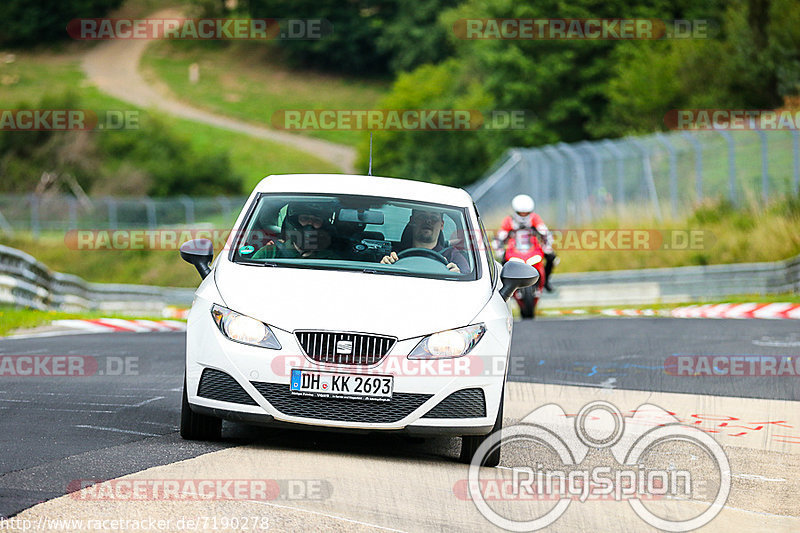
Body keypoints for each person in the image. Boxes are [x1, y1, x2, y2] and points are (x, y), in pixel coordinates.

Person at [497, 194, 557, 291]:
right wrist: (499, 250)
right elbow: (500, 236)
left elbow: (544, 232)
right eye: (521, 213)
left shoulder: (535, 218)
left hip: (533, 247)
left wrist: (547, 246)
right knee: (503, 262)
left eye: (526, 213)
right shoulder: (509, 221)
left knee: (551, 257)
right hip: (514, 249)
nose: (523, 216)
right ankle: (505, 285)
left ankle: (546, 281)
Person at [380, 209, 468, 273]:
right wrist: (384, 266)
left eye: (434, 218)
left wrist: (457, 274)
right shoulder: (393, 254)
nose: (428, 221)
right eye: (422, 216)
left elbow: (467, 282)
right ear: (412, 221)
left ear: (442, 225)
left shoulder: (452, 255)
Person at [252, 202, 340, 260]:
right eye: (304, 219)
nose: (310, 224)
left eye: (316, 220)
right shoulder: (269, 253)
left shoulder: (331, 258)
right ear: (293, 222)